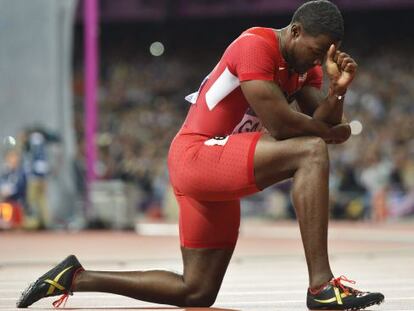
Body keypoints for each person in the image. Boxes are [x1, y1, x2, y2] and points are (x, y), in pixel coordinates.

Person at [17, 1, 384, 310]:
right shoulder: (255, 45)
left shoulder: (305, 69)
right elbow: (287, 127)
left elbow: (320, 119)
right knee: (311, 151)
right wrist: (331, 132)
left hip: (220, 165)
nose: (318, 61)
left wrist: (337, 91)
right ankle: (320, 285)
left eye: (325, 55)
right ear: (296, 31)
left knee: (197, 291)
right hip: (197, 156)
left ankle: (74, 277)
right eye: (316, 51)